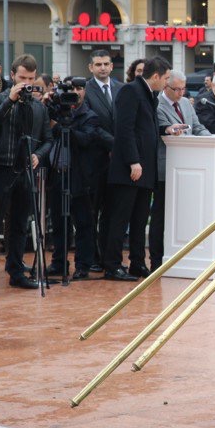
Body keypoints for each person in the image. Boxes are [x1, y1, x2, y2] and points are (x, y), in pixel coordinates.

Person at [0, 54, 53, 291]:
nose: (26, 83)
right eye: (22, 78)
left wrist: (38, 155)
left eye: (31, 79)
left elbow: (48, 139)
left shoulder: (38, 107)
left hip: (25, 172)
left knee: (20, 224)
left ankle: (16, 272)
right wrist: (10, 101)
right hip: (0, 169)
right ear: (12, 76)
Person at [103, 56, 173, 282]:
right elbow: (124, 129)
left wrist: (166, 129)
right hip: (130, 169)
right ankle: (113, 265)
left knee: (140, 219)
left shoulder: (150, 94)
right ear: (156, 76)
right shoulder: (131, 91)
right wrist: (133, 161)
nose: (167, 82)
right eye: (166, 78)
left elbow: (146, 127)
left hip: (146, 169)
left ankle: (137, 262)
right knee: (121, 219)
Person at [46, 80, 107, 280]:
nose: (75, 93)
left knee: (83, 224)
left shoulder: (90, 116)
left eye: (79, 89)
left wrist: (61, 127)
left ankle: (83, 265)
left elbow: (84, 139)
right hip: (57, 174)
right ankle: (58, 263)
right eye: (71, 89)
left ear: (85, 91)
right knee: (58, 222)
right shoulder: (56, 110)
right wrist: (48, 104)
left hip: (80, 177)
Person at [151, 70, 209, 271]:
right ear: (166, 86)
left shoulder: (185, 103)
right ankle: (156, 260)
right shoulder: (157, 104)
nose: (181, 93)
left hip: (190, 168)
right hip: (166, 168)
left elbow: (197, 127)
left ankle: (182, 256)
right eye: (176, 89)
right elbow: (162, 129)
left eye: (183, 89)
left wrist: (210, 139)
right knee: (160, 214)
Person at [82, 49, 123, 272]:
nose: (103, 68)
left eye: (106, 64)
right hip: (95, 160)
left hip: (117, 162)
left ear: (112, 65)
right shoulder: (85, 90)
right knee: (92, 211)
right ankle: (92, 258)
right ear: (91, 67)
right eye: (98, 64)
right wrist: (114, 145)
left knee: (112, 211)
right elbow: (91, 124)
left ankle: (108, 257)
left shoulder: (120, 88)